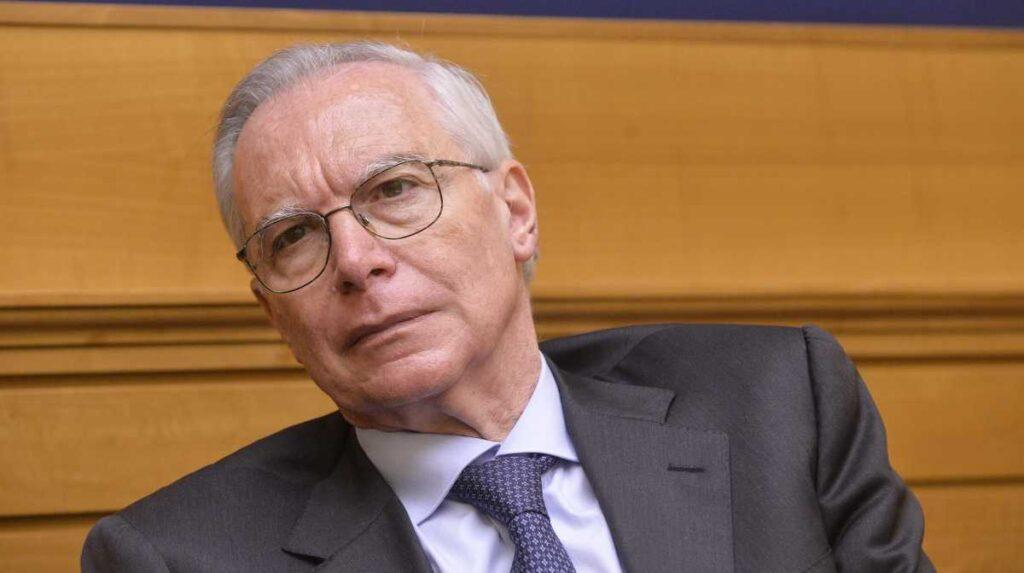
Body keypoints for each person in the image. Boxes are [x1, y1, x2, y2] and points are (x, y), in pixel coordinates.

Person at [81, 41, 933, 572]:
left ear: (515, 211)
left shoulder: (779, 404)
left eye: (396, 189)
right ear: (274, 311)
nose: (357, 260)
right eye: (295, 236)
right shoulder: (176, 558)